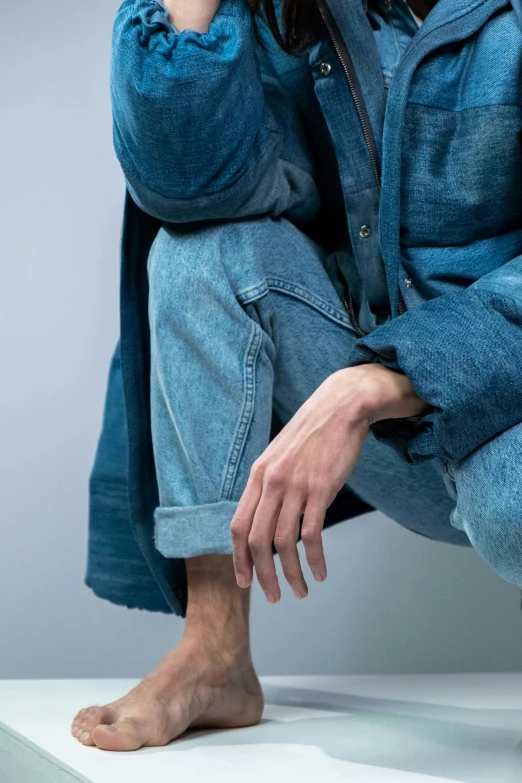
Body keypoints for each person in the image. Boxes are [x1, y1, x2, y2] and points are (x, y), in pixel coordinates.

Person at [72, 0, 522, 752]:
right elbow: (188, 183)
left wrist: (375, 381)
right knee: (199, 253)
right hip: (403, 436)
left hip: (503, 417)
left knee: (511, 503)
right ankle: (214, 651)